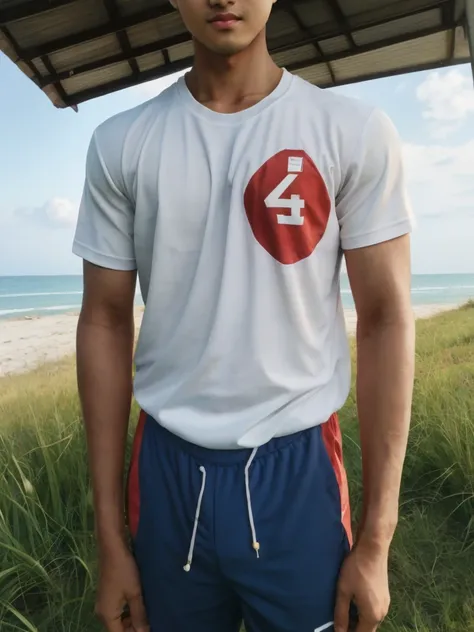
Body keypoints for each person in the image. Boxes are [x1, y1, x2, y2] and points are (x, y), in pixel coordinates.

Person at [73, 0, 415, 630]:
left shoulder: (350, 131)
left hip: (298, 468)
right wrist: (110, 538)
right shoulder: (122, 143)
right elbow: (104, 320)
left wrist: (376, 540)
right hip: (166, 469)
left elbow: (387, 318)